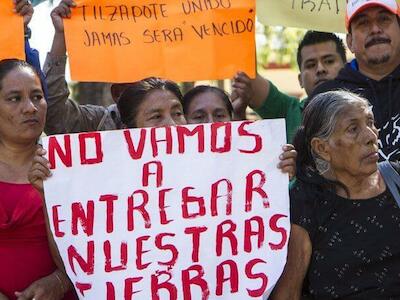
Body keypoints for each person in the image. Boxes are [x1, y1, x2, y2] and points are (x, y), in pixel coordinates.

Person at [271, 90, 400, 299]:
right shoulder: (306, 200)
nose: (370, 136)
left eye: (370, 122)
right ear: (322, 148)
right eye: (353, 129)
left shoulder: (396, 178)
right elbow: (289, 292)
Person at [0, 59, 75, 300]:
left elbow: (91, 251)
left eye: (37, 96)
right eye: (14, 98)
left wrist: (59, 282)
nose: (30, 107)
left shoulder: (72, 167)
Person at [312, 0, 400, 162]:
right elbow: (313, 169)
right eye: (363, 23)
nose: (375, 29)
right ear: (350, 42)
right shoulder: (326, 98)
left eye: (384, 19)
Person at [232, 31, 347, 142]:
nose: (320, 69)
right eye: (311, 65)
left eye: (329, 61)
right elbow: (247, 75)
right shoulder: (288, 111)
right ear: (300, 80)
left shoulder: (364, 106)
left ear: (346, 69)